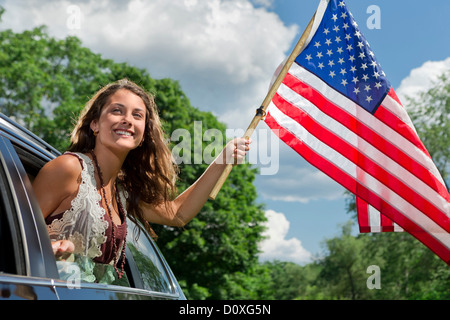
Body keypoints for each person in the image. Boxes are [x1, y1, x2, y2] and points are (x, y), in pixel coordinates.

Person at [32, 78, 251, 284]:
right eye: (117, 111)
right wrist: (50, 247)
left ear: (143, 134)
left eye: (137, 115)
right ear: (95, 124)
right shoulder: (69, 168)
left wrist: (222, 160)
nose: (127, 120)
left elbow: (177, 214)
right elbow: (14, 232)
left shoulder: (122, 191)